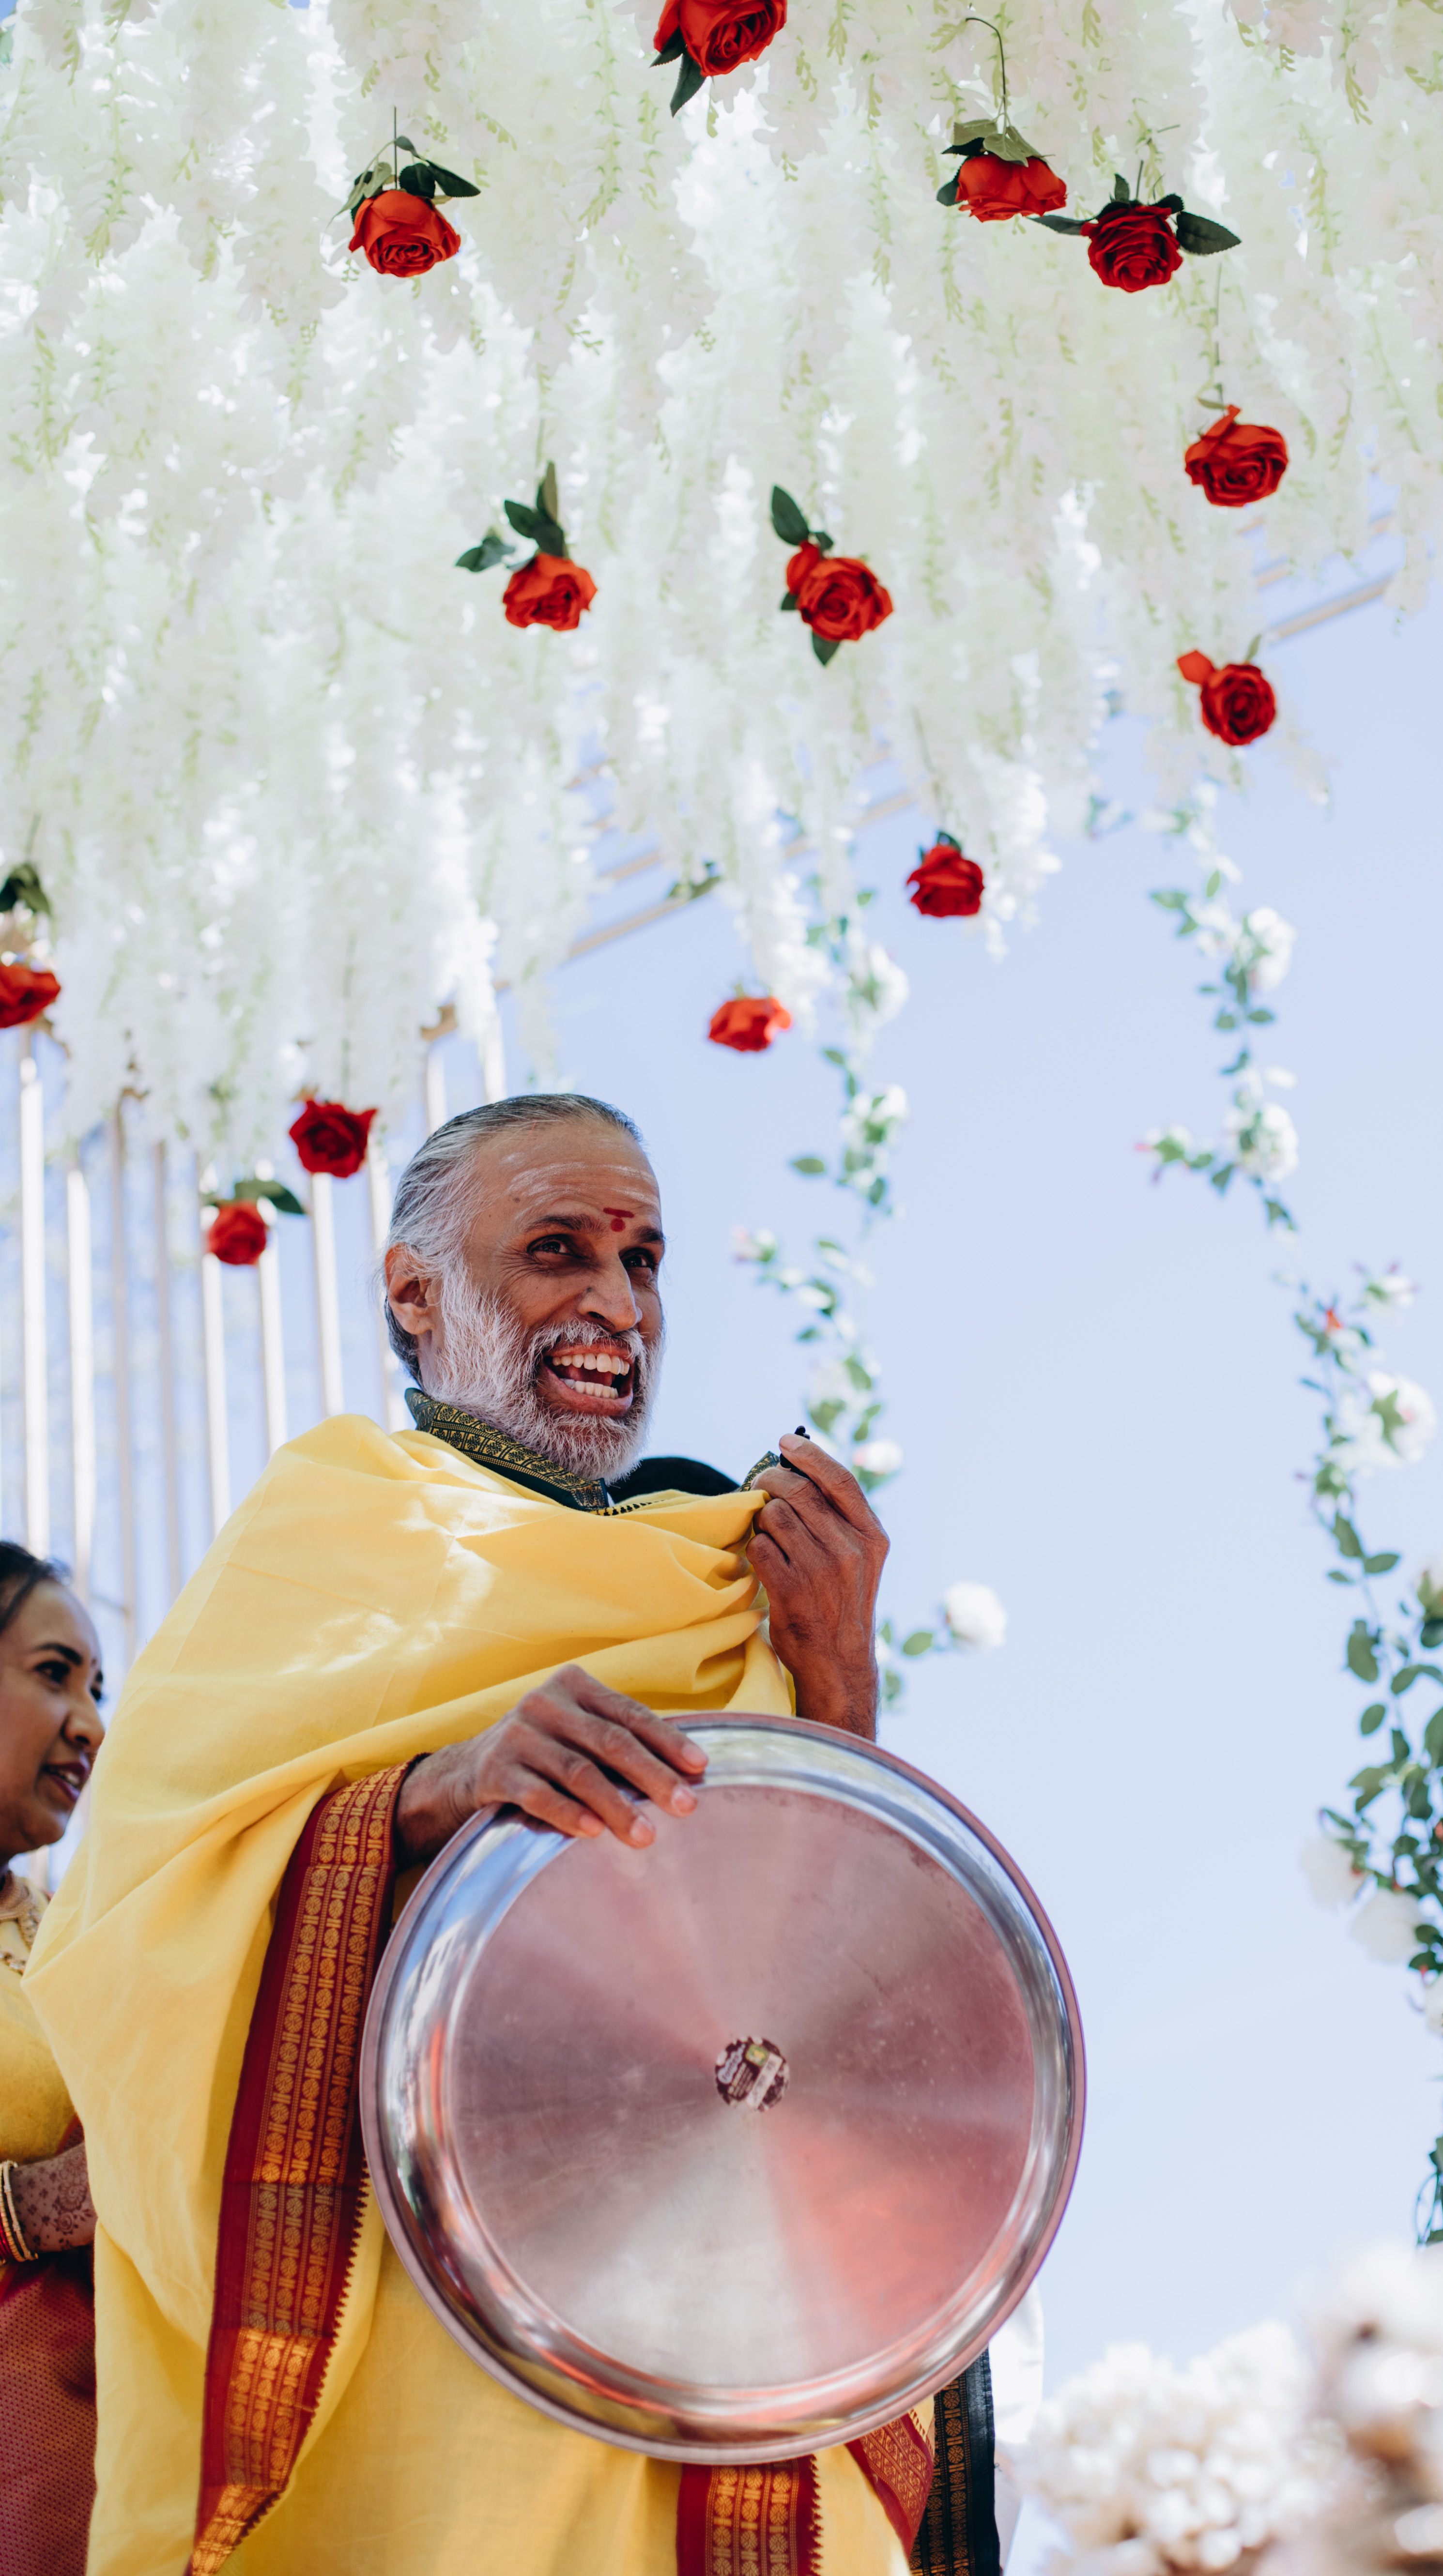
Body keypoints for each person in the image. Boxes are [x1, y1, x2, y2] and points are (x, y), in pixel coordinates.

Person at [29, 1094, 993, 2576]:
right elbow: (123, 1951)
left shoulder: (731, 1575)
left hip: (730, 2373)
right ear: (413, 1294)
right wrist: (430, 1796)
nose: (617, 1303)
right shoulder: (329, 1532)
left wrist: (839, 1689)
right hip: (428, 2373)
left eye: (643, 1260)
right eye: (558, 1250)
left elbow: (858, 2010)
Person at [0, 1542, 105, 2576]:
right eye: (54, 1673)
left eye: (96, 1688)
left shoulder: (74, 1930)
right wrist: (24, 2209)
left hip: (83, 2453)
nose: (91, 1724)